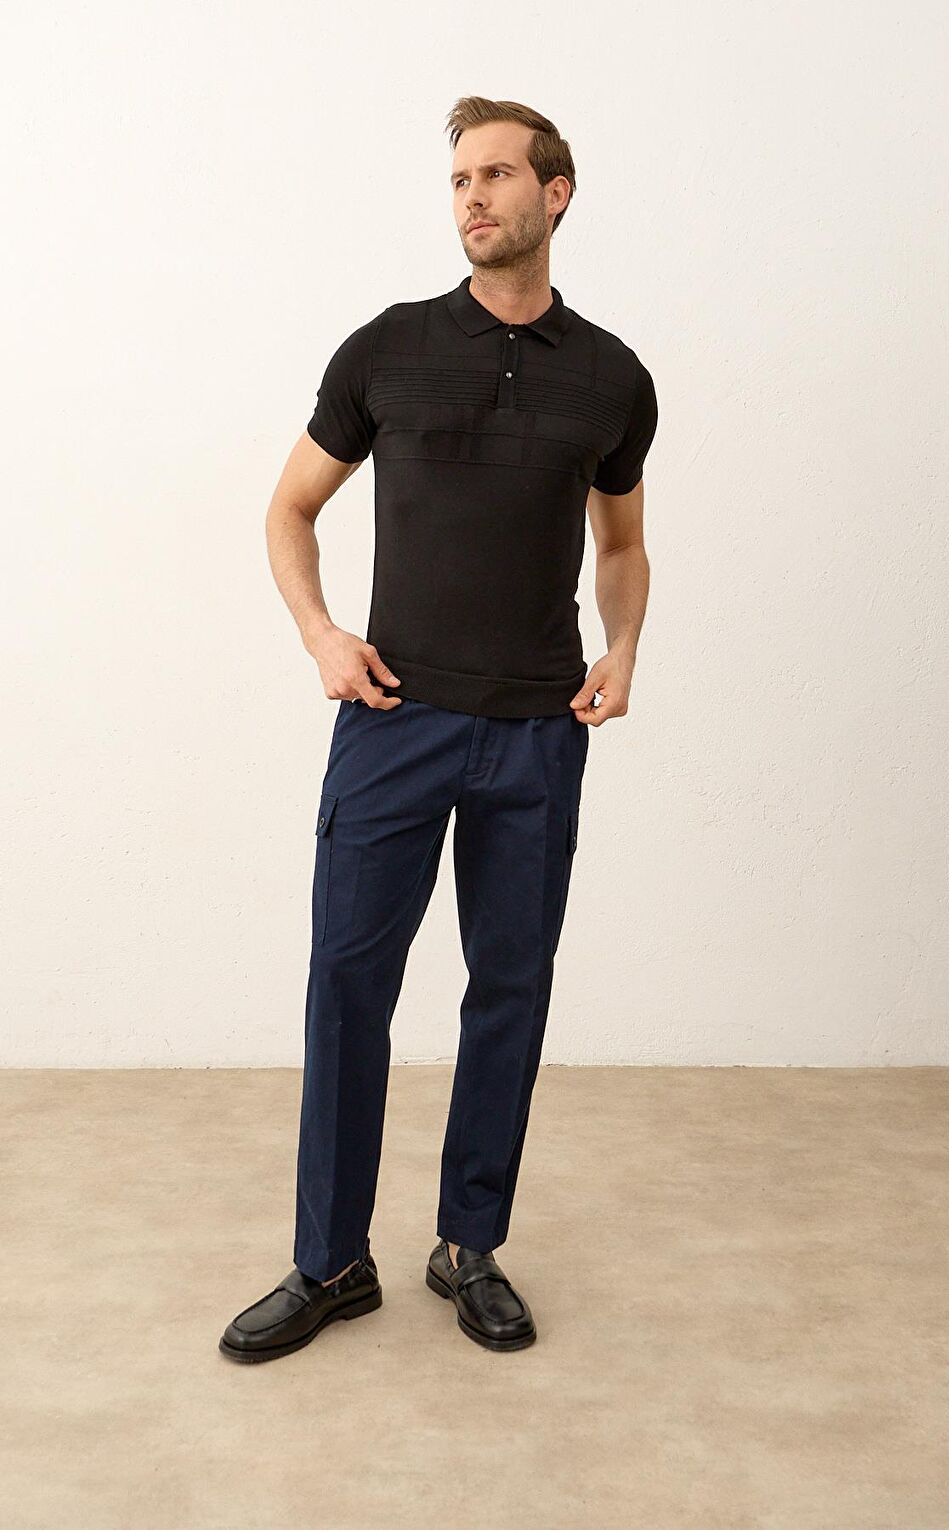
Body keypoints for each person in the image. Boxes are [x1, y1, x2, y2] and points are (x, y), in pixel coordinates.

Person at [219, 95, 658, 1362]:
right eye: (460, 178)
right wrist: (321, 634)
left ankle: (470, 1244)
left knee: (509, 988)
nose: (473, 197)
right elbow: (288, 509)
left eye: (498, 175)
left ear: (555, 194)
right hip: (393, 717)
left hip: (538, 731)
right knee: (348, 983)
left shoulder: (611, 378)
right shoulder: (389, 349)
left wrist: (624, 646)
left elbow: (622, 543)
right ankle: (329, 1261)